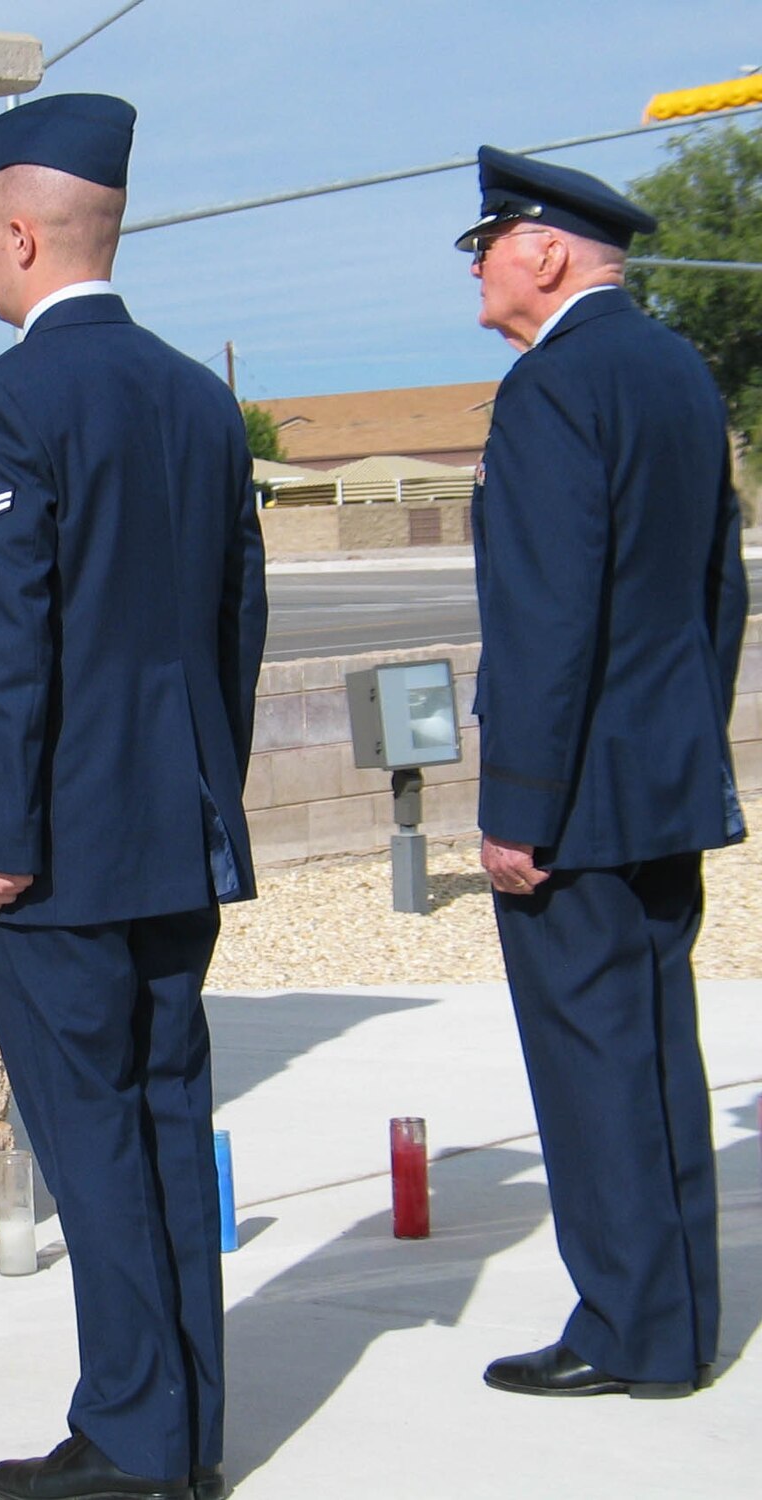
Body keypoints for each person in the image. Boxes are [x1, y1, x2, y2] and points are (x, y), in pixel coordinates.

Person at [0, 94, 266, 1500]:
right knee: (163, 1128)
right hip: (175, 837)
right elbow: (234, 628)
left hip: (62, 858)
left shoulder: (7, 402)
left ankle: (138, 1448)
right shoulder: (199, 397)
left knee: (95, 1143)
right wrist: (206, 797)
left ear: (20, 233)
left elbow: (12, 648)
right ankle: (174, 1431)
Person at [458, 145, 748, 1399]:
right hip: (656, 776)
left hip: (571, 796)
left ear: (542, 250)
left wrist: (517, 806)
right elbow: (715, 589)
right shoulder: (676, 371)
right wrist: (682, 733)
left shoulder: (551, 388)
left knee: (589, 1069)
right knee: (652, 1055)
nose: (474, 269)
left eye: (483, 245)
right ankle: (669, 1321)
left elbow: (543, 615)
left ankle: (627, 1330)